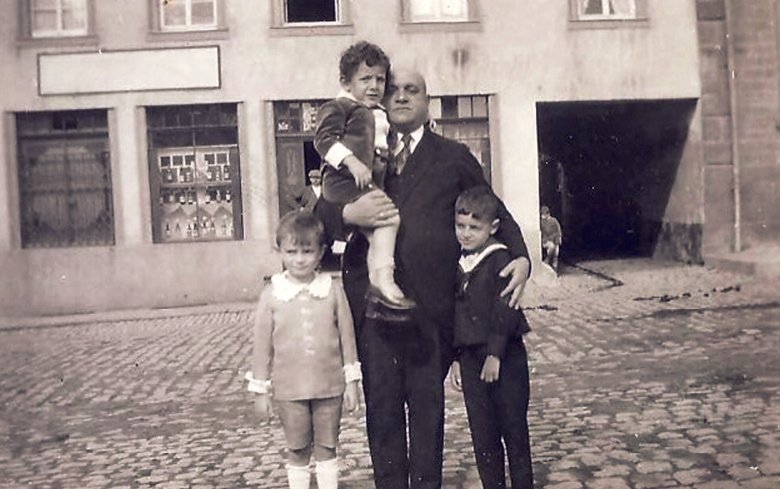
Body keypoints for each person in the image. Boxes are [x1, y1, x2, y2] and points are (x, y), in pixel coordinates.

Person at [318, 67, 532, 489]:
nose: (399, 97)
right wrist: (346, 214)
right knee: (383, 414)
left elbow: (494, 209)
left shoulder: (452, 157)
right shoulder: (359, 150)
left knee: (427, 412)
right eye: (392, 90)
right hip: (374, 307)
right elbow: (317, 211)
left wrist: (522, 257)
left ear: (427, 101)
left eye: (410, 91)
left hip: (432, 313)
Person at [245, 210, 362, 489]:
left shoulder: (332, 290)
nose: (299, 259)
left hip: (329, 388)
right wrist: (260, 391)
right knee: (297, 448)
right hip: (290, 391)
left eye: (307, 251)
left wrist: (352, 383)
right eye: (292, 251)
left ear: (321, 252)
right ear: (280, 251)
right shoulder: (272, 294)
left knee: (327, 446)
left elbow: (348, 338)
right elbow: (262, 348)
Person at [315, 41, 414, 309]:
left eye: (380, 80)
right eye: (366, 79)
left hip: (366, 183)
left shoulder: (378, 113)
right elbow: (323, 140)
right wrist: (351, 161)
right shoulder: (339, 107)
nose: (374, 86)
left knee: (378, 230)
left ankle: (380, 283)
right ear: (346, 83)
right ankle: (383, 277)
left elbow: (386, 142)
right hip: (345, 181)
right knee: (388, 219)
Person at [449, 186, 534, 489]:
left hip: (504, 358)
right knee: (483, 433)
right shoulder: (458, 263)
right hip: (471, 359)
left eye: (475, 227)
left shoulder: (500, 259)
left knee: (513, 429)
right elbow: (456, 314)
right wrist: (457, 358)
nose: (467, 234)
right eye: (461, 226)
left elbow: (506, 307)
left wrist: (495, 354)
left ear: (493, 228)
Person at [540, 205, 562, 273]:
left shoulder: (554, 221)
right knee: (551, 247)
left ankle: (554, 271)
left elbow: (558, 230)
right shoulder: (541, 222)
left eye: (544, 214)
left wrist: (559, 238)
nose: (542, 216)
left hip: (555, 240)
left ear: (548, 214)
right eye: (542, 214)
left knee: (555, 255)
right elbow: (541, 231)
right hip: (546, 240)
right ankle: (547, 260)